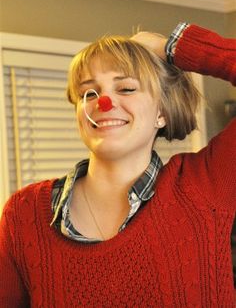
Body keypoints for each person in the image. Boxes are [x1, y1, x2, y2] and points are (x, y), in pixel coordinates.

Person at [0, 22, 235, 307]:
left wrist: (171, 47)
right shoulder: (24, 213)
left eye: (125, 88)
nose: (104, 102)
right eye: (88, 92)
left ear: (162, 111)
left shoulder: (205, 185)